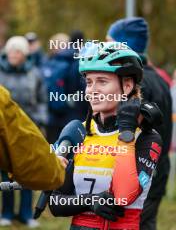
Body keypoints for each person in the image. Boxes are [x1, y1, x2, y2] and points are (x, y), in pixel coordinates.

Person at [48, 42, 162, 230]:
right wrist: (90, 202)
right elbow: (56, 203)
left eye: (102, 81)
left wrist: (126, 131)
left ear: (126, 86)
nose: (92, 90)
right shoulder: (79, 132)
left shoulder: (146, 137)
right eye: (89, 82)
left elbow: (124, 196)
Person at [107, 17, 172, 230]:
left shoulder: (135, 82)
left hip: (138, 170)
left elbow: (128, 130)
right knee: (146, 222)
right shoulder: (160, 78)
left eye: (109, 41)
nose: (105, 46)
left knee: (133, 223)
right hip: (158, 166)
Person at [0, 36, 48, 227]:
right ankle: (7, 213)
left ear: (24, 54)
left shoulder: (34, 73)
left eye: (17, 51)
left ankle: (27, 214)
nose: (13, 54)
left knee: (27, 173)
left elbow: (43, 99)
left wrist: (41, 122)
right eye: (11, 50)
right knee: (6, 174)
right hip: (5, 130)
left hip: (29, 130)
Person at [42, 33, 87, 143]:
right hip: (73, 115)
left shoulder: (49, 62)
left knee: (55, 149)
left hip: (52, 115)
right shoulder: (77, 61)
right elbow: (82, 88)